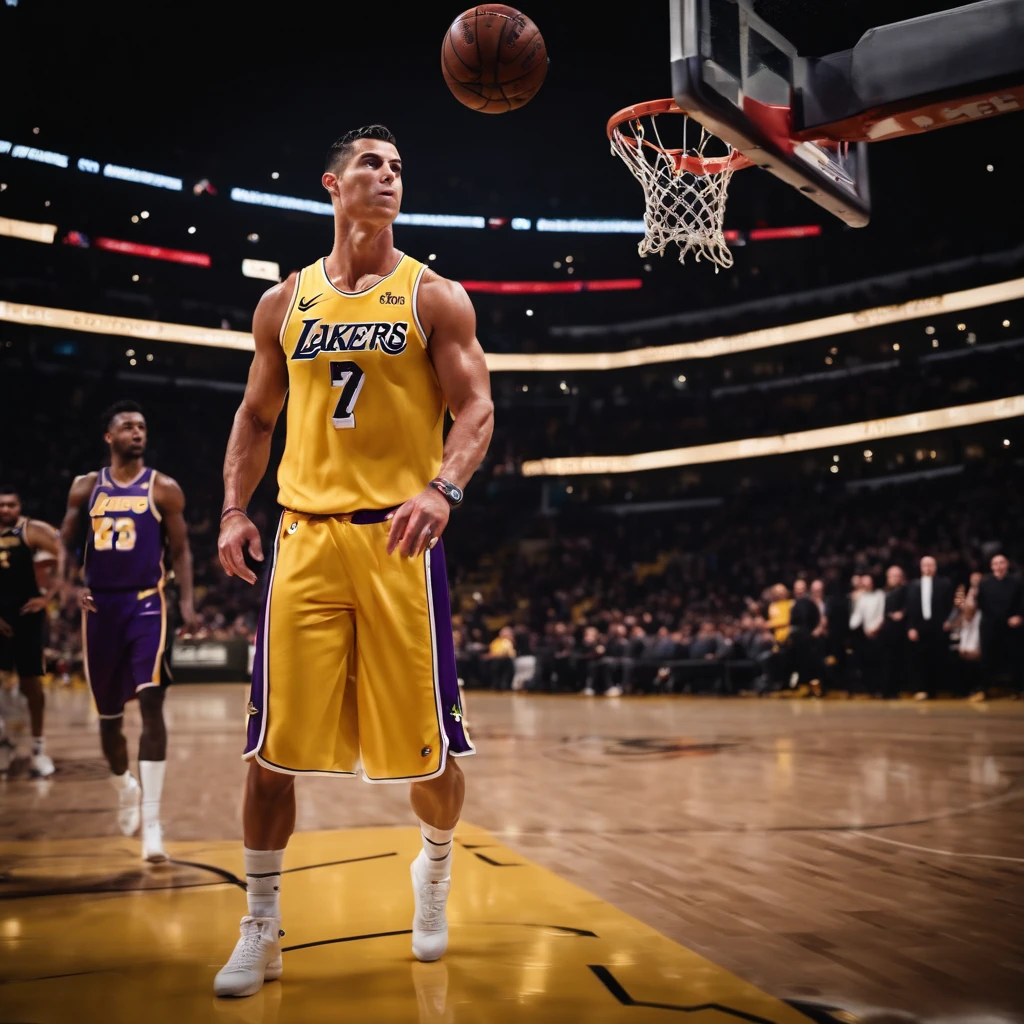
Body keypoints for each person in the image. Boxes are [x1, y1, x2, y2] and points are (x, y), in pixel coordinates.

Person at [213, 125, 494, 998]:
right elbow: (256, 421)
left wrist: (442, 489)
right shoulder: (283, 304)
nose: (387, 176)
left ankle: (435, 870)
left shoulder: (436, 297)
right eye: (371, 164)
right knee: (270, 752)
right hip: (303, 538)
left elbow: (477, 409)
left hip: (400, 543)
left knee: (431, 760)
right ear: (331, 184)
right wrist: (231, 508)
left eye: (399, 166)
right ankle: (261, 926)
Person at [60, 401, 196, 861]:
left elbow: (180, 552)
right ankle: (123, 784)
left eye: (142, 426)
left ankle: (153, 823)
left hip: (146, 603)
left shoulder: (164, 488)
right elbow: (65, 541)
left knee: (153, 701)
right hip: (99, 607)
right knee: (109, 720)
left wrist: (189, 603)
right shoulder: (85, 487)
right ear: (109, 436)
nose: (137, 433)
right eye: (127, 427)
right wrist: (69, 584)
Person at [0, 488, 64, 776]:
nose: (5, 509)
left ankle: (38, 748)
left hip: (27, 615)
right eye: (1, 505)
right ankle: (6, 742)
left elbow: (66, 558)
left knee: (31, 685)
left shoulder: (31, 530)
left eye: (11, 504)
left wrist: (48, 597)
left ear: (19, 506)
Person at [905, 555, 954, 700]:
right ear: (920, 567)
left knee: (937, 658)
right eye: (924, 565)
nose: (927, 568)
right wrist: (911, 627)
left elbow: (953, 604)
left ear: (935, 567)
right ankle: (922, 689)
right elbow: (909, 609)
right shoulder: (913, 585)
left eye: (930, 565)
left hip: (939, 626)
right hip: (919, 627)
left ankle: (937, 689)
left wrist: (949, 621)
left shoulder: (945, 583)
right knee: (920, 659)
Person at [976, 553, 1023, 696]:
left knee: (1015, 657)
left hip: (1011, 625)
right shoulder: (984, 583)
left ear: (1007, 564)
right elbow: (981, 603)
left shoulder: (1017, 582)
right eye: (995, 563)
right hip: (990, 625)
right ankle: (984, 689)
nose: (998, 566)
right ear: (991, 566)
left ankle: (1018, 689)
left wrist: (1019, 616)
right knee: (987, 658)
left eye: (1001, 562)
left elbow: (1022, 602)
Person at [788, 579, 822, 694]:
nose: (799, 591)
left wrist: (813, 632)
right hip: (795, 639)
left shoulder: (810, 603)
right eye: (797, 589)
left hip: (807, 639)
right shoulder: (792, 604)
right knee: (797, 663)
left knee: (810, 663)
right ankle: (801, 686)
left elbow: (816, 619)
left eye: (801, 588)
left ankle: (813, 687)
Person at [879, 565, 907, 699]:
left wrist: (902, 613)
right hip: (885, 631)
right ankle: (885, 690)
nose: (894, 578)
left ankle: (895, 690)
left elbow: (909, 607)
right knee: (885, 661)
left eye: (897, 576)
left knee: (897, 661)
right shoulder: (883, 592)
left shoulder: (906, 591)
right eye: (891, 576)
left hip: (899, 631)